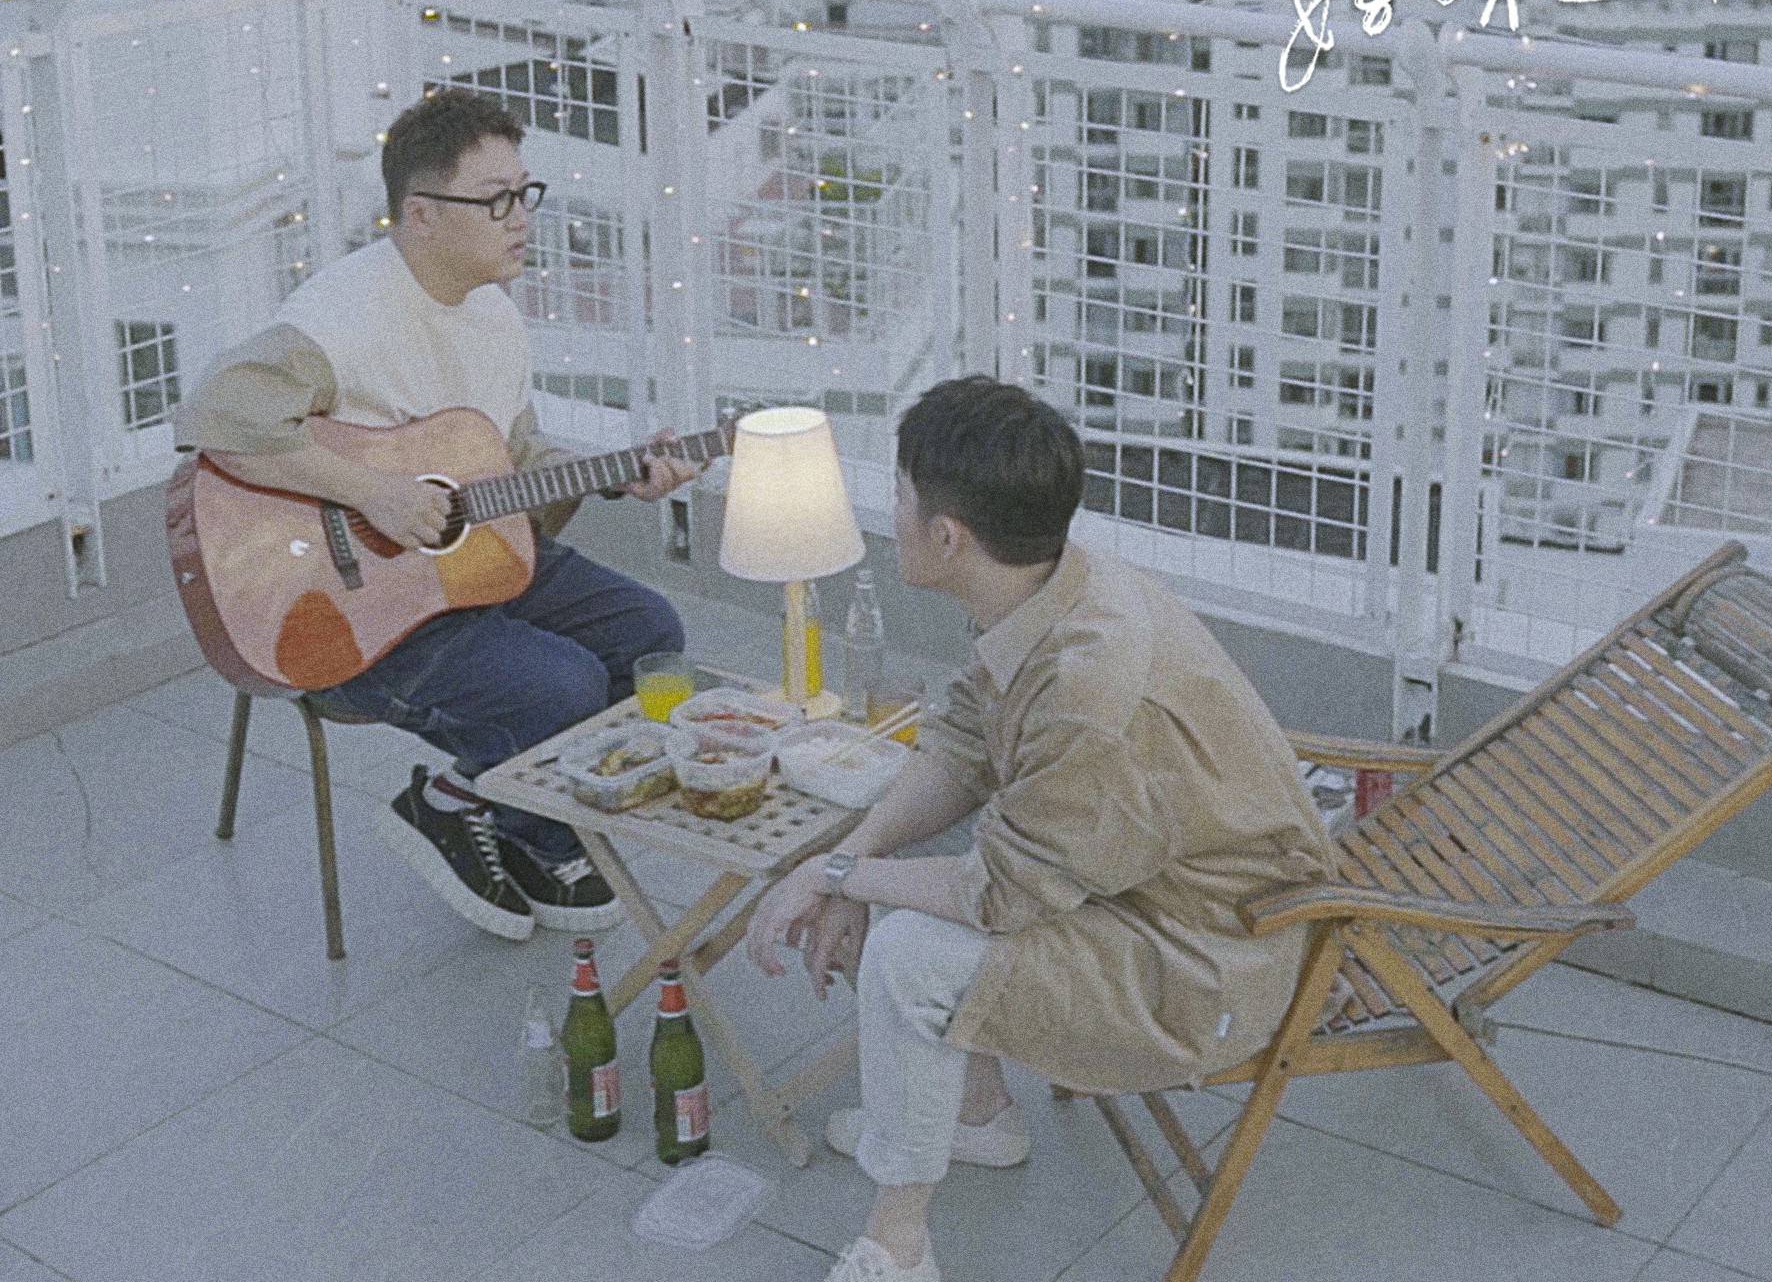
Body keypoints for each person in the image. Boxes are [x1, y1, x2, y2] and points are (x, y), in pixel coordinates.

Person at [746, 376, 1337, 1282]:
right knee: (899, 850)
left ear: (948, 537)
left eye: (900, 496)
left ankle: (898, 1246)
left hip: (1208, 956)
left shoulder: (1089, 690)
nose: (890, 515)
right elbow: (961, 741)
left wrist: (832, 878)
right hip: (1134, 883)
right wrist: (854, 854)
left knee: (908, 952)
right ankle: (976, 1115)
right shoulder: (1053, 586)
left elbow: (997, 896)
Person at [174, 87, 697, 942]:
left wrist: (616, 474)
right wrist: (373, 492)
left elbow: (511, 460)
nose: (521, 217)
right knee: (561, 685)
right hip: (351, 613)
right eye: (495, 200)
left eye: (524, 193)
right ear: (419, 213)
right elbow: (215, 416)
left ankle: (467, 799)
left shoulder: (494, 315)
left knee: (647, 633)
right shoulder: (339, 319)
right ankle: (525, 823)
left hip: (464, 566)